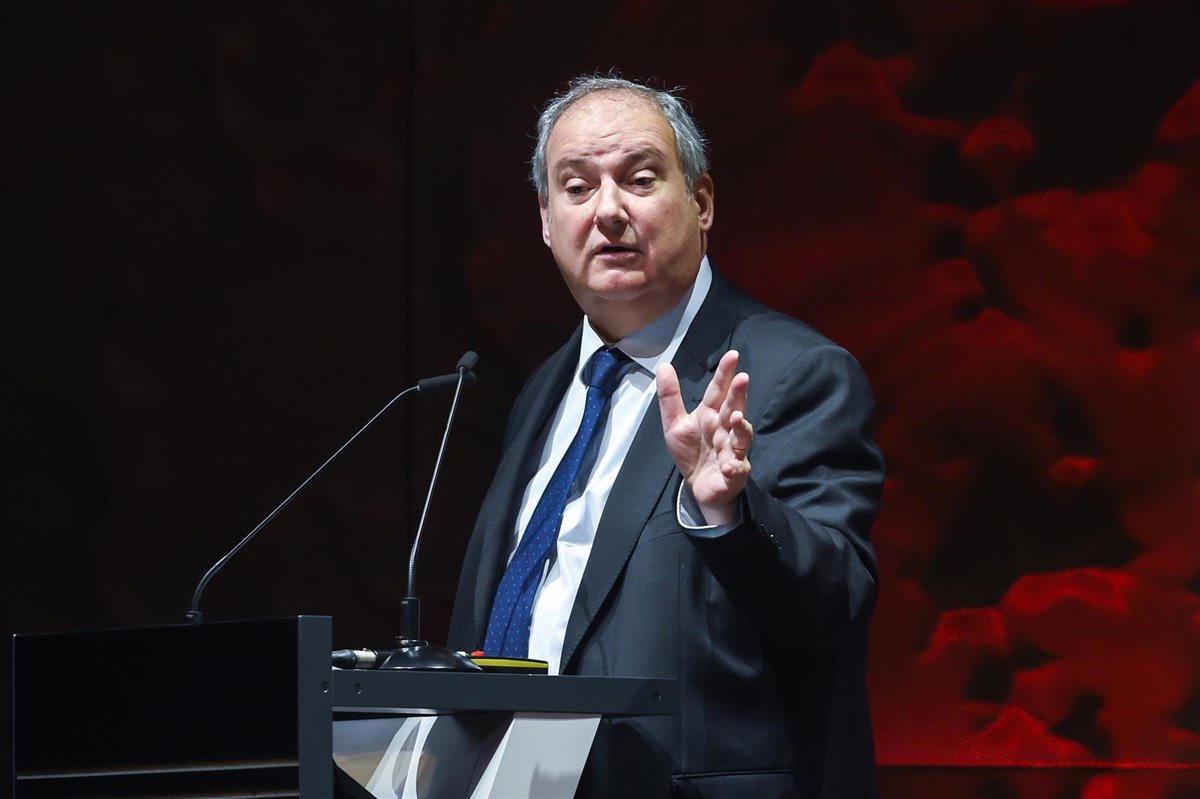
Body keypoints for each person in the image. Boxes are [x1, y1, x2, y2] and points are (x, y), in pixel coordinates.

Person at [448, 75, 885, 798]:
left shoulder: (792, 372)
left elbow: (831, 603)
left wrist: (728, 513)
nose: (608, 211)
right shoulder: (544, 390)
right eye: (576, 187)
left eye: (640, 179)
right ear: (546, 220)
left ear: (702, 202)